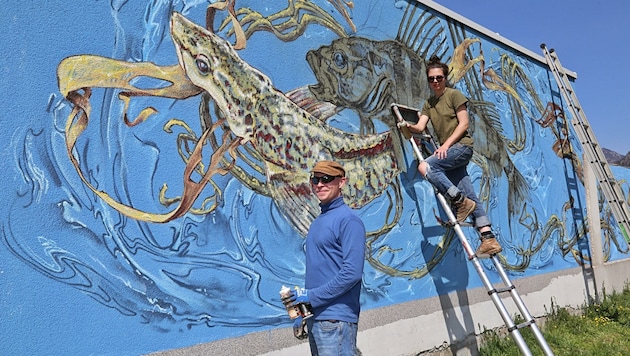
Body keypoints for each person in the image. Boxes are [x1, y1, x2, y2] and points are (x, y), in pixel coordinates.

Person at [403, 55, 502, 256]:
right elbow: (420, 126)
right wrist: (408, 127)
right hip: (451, 153)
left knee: (426, 167)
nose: (435, 82)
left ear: (445, 78)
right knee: (471, 194)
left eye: (439, 77)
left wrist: (445, 146)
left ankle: (458, 201)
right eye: (431, 79)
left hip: (461, 147)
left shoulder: (454, 95)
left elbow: (464, 124)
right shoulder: (428, 104)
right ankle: (488, 238)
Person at [289, 160, 366, 356]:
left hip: (336, 321)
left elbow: (352, 274)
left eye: (327, 179)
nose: (319, 184)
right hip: (317, 318)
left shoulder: (349, 221)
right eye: (315, 179)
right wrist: (302, 308)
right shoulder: (318, 221)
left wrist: (310, 297)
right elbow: (322, 270)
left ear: (342, 182)